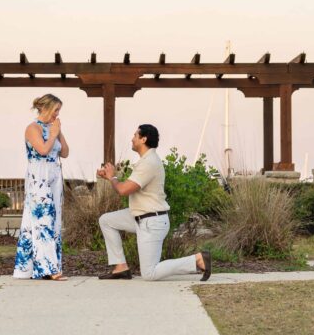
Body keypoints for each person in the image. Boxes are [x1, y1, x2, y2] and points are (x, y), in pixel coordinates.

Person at [96, 124, 211, 281]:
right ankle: (120, 267)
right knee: (107, 220)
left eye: (135, 135)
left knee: (149, 274)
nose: (132, 138)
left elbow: (123, 190)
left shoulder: (149, 163)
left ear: (143, 139)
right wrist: (110, 178)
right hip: (140, 216)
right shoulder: (146, 161)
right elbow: (128, 186)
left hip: (152, 222)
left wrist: (112, 177)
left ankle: (197, 260)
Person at [13, 94, 70, 280]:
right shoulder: (32, 128)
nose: (57, 114)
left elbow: (65, 152)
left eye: (59, 111)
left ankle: (28, 268)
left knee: (50, 221)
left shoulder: (53, 128)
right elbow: (43, 150)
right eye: (55, 110)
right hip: (39, 176)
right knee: (43, 219)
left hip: (54, 176)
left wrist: (58, 132)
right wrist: (53, 134)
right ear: (45, 109)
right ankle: (50, 269)